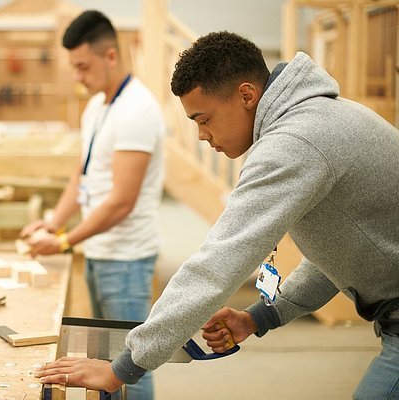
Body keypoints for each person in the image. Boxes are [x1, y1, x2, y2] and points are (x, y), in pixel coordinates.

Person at [34, 31, 399, 398]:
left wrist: (122, 368)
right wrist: (260, 316)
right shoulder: (315, 120)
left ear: (246, 95)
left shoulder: (294, 143)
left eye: (203, 119)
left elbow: (218, 262)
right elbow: (337, 256)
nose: (201, 135)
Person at [20, 10, 165, 400]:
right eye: (74, 67)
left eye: (83, 66)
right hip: (100, 254)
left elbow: (121, 202)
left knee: (132, 365)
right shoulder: (98, 108)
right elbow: (81, 179)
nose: (78, 76)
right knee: (106, 368)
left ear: (111, 56)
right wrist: (52, 223)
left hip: (127, 260)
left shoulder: (137, 110)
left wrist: (65, 241)